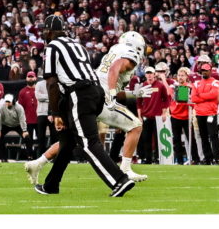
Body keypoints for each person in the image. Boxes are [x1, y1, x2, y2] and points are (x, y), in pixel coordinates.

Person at [34, 14, 134, 198]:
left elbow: (51, 82)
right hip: (93, 91)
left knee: (89, 143)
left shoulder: (53, 47)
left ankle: (119, 180)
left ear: (49, 31)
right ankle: (51, 185)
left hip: (79, 94)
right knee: (67, 142)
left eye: (44, 31)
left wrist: (55, 112)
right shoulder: (76, 45)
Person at [95, 31, 146, 177]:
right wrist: (111, 93)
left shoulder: (114, 50)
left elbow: (115, 84)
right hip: (102, 97)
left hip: (91, 93)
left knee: (73, 138)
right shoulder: (130, 54)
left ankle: (38, 162)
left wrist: (134, 94)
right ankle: (125, 169)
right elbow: (114, 69)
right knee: (136, 126)